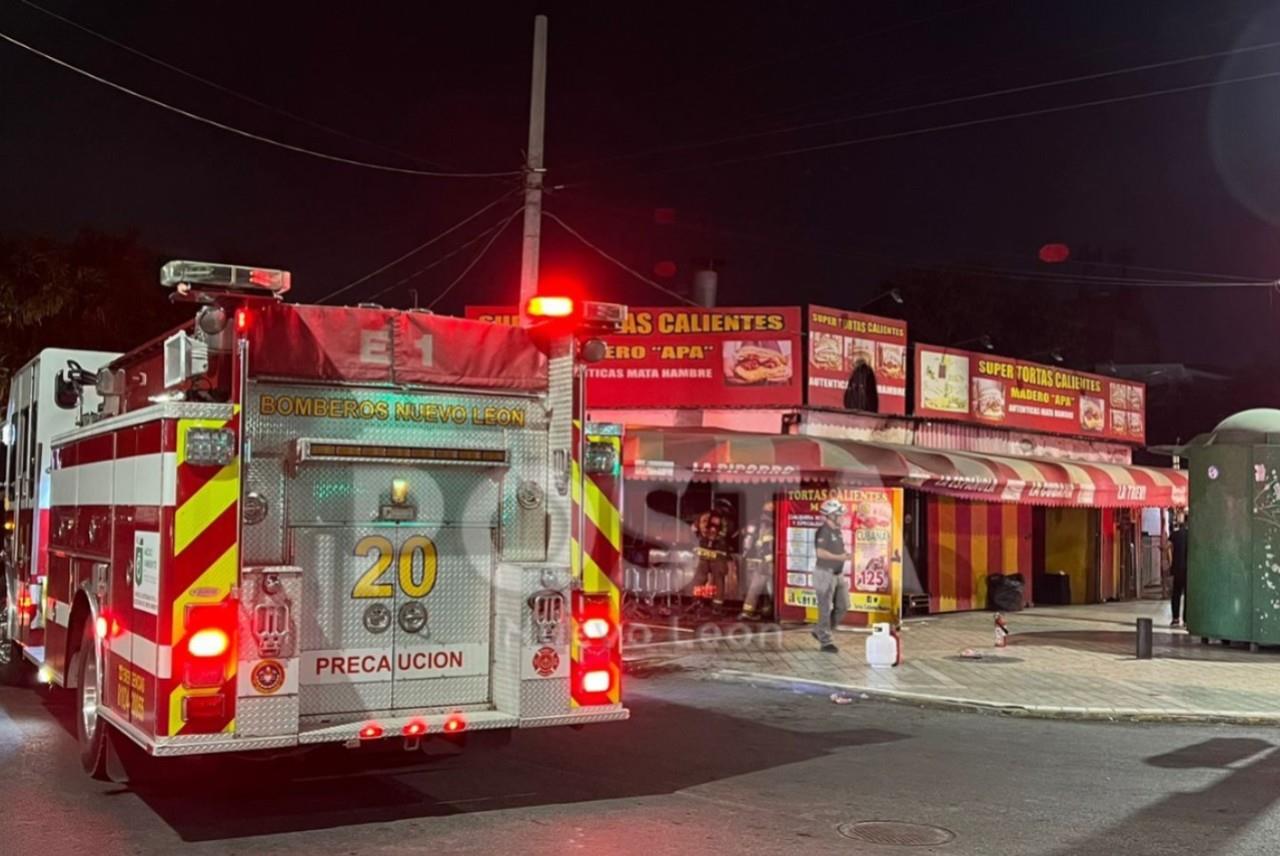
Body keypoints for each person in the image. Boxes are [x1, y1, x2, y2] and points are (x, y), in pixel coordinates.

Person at [811, 498, 852, 652]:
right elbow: (820, 553)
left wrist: (844, 555)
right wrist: (840, 557)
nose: (843, 517)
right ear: (831, 515)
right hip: (824, 574)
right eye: (840, 514)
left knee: (843, 606)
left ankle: (819, 630)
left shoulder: (837, 531)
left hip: (837, 574)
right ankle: (825, 641)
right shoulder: (823, 531)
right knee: (825, 608)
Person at [691, 498, 735, 613]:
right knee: (718, 580)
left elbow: (693, 529)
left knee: (700, 578)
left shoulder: (703, 516)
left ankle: (696, 602)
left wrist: (701, 539)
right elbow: (729, 533)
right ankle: (717, 607)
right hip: (718, 555)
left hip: (703, 553)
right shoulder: (724, 520)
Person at [737, 500, 776, 621]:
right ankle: (749, 612)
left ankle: (761, 610)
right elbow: (766, 544)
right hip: (762, 561)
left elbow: (745, 540)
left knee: (753, 587)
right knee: (761, 587)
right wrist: (770, 560)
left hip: (750, 560)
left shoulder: (753, 522)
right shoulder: (769, 524)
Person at [1169, 511, 1189, 628]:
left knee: (1176, 594)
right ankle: (1187, 619)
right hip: (1189, 570)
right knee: (1188, 595)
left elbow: (1167, 547)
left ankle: (1175, 618)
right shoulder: (1192, 535)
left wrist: (1169, 561)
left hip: (1177, 569)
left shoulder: (1175, 535)